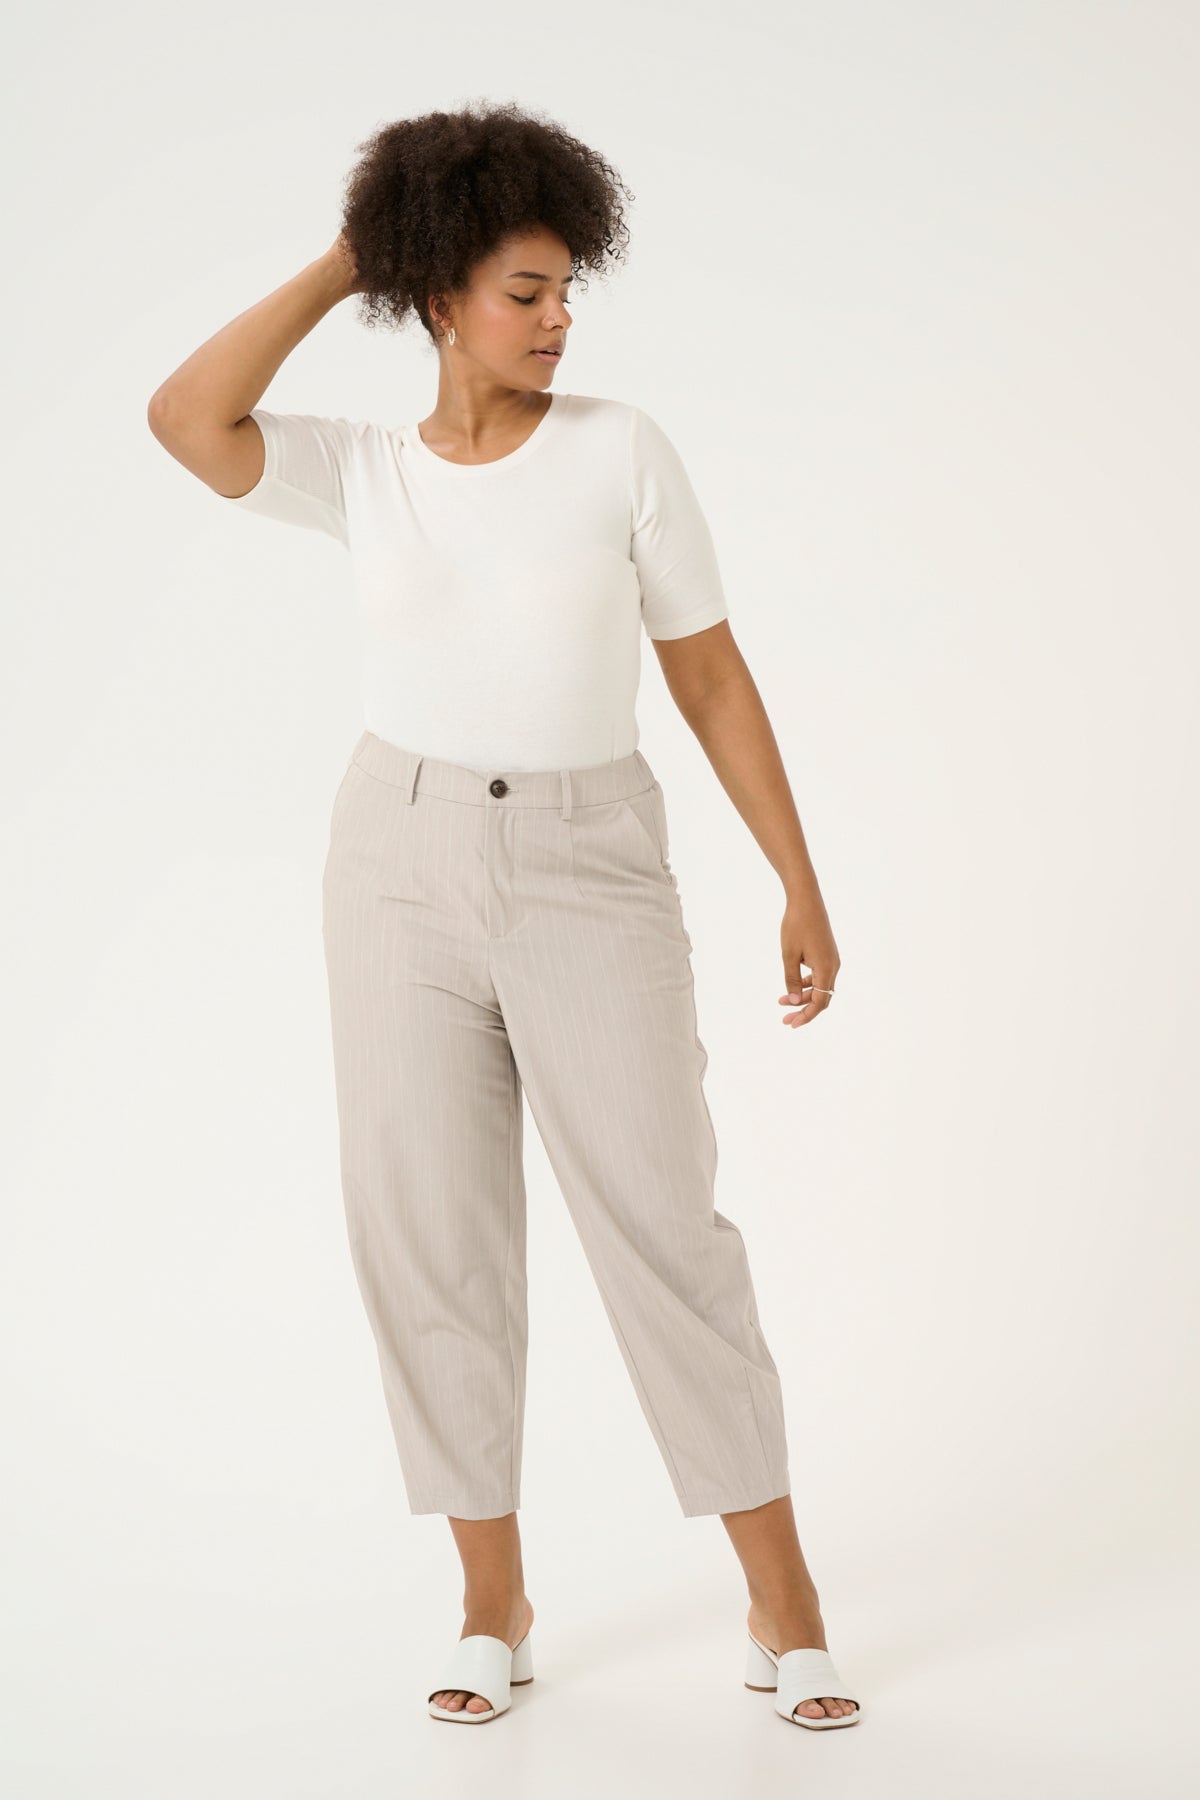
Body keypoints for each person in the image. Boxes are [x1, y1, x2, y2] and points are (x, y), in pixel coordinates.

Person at [146, 101, 859, 1732]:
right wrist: (349, 257)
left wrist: (797, 876)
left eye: (565, 292)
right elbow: (187, 416)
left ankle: (786, 1600)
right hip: (394, 862)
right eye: (524, 292)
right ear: (439, 296)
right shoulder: (364, 471)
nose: (557, 321)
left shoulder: (621, 450)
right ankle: (493, 1602)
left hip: (589, 860)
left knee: (665, 1226)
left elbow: (709, 675)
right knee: (427, 1229)